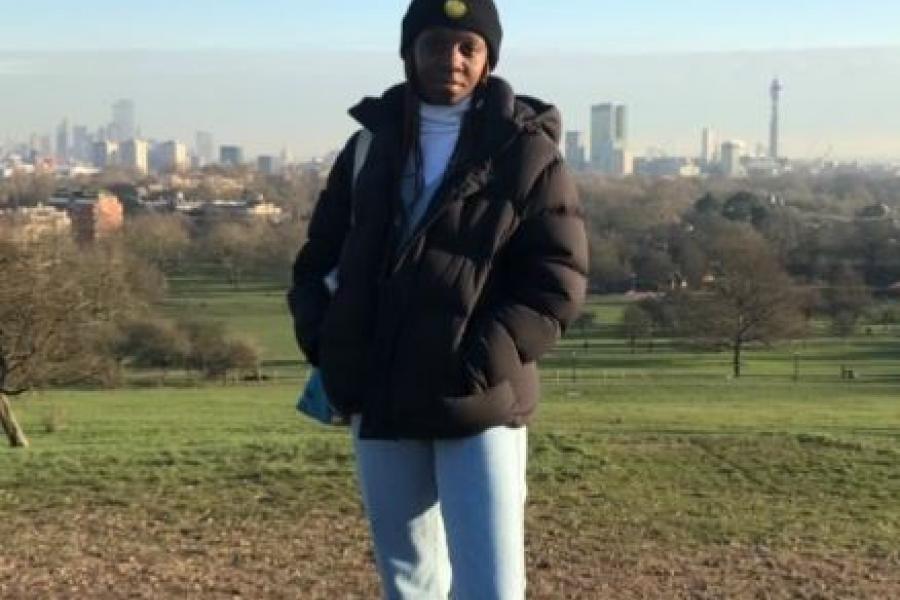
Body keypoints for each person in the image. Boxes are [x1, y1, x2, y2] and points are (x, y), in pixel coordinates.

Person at [288, 0, 588, 597]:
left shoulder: (525, 152)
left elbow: (556, 281)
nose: (450, 59)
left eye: (467, 46)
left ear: (488, 58)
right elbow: (318, 259)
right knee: (410, 581)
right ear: (410, 52)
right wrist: (329, 345)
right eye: (434, 44)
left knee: (492, 585)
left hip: (480, 398)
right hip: (381, 391)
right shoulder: (367, 148)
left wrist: (478, 361)